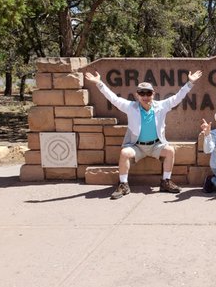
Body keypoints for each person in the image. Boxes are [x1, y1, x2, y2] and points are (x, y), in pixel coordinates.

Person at [84, 70, 203, 199]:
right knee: (124, 153)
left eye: (148, 93)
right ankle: (123, 184)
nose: (145, 96)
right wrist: (99, 83)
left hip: (156, 145)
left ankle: (165, 182)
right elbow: (113, 98)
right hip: (137, 146)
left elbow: (178, 97)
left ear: (153, 94)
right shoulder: (130, 107)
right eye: (142, 93)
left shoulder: (161, 106)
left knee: (170, 151)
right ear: (137, 95)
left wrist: (190, 83)